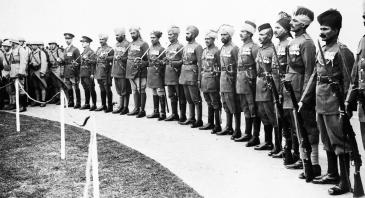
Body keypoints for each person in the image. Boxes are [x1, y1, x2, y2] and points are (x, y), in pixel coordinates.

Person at [301, 9, 354, 195]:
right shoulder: (322, 50)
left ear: (337, 30)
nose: (321, 32)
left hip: (334, 103)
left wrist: (346, 106)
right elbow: (314, 77)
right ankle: (332, 173)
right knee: (326, 140)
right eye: (320, 28)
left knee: (340, 142)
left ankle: (345, 182)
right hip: (320, 101)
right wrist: (304, 100)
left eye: (326, 29)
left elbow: (349, 81)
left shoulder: (344, 51)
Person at [284, 7, 321, 176]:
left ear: (304, 25)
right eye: (292, 20)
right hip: (291, 87)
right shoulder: (293, 41)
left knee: (308, 126)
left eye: (295, 21)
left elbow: (309, 71)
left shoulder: (307, 42)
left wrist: (305, 95)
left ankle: (313, 164)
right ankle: (302, 158)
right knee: (296, 126)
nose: (291, 23)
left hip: (301, 89)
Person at [234, 21, 261, 146]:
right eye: (241, 31)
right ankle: (247, 133)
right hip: (241, 80)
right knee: (245, 107)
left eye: (244, 32)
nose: (241, 34)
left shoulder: (254, 47)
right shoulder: (242, 47)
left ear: (250, 34)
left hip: (250, 80)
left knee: (252, 107)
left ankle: (255, 136)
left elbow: (257, 66)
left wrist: (254, 80)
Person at [270, 12, 293, 158]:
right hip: (276, 84)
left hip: (286, 86)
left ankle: (290, 150)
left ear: (285, 29)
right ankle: (284, 148)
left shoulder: (289, 43)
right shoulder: (278, 44)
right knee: (281, 119)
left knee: (288, 120)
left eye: (278, 28)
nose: (275, 31)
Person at [253, 23, 277, 151]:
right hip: (259, 83)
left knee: (271, 114)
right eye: (260, 34)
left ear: (270, 36)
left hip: (268, 85)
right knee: (262, 113)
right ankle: (267, 142)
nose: (260, 36)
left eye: (263, 34)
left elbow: (274, 70)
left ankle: (276, 144)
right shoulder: (260, 50)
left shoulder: (273, 50)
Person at [216, 24, 240, 139]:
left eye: (225, 34)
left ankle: (237, 129)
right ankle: (228, 126)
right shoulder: (222, 48)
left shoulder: (234, 48)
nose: (222, 37)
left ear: (230, 35)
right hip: (223, 78)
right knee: (225, 103)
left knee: (233, 105)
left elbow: (238, 65)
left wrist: (235, 81)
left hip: (231, 79)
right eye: (221, 35)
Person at [179, 25, 204, 128]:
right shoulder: (185, 46)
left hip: (192, 74)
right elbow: (182, 60)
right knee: (188, 98)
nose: (186, 35)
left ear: (193, 35)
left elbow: (200, 63)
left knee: (195, 98)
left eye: (188, 33)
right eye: (186, 33)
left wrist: (199, 79)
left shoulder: (198, 47)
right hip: (184, 73)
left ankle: (199, 120)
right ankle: (191, 117)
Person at [199, 29, 222, 133]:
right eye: (205, 39)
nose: (206, 40)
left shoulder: (217, 51)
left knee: (215, 102)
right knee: (208, 101)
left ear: (213, 39)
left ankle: (217, 125)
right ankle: (210, 123)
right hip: (204, 78)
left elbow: (220, 67)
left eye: (208, 39)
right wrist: (199, 79)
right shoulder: (204, 50)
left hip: (213, 79)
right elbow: (201, 66)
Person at [164, 26, 187, 122]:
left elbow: (183, 61)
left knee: (180, 95)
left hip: (177, 74)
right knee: (171, 95)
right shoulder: (168, 46)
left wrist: (173, 62)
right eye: (168, 34)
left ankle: (182, 115)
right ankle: (174, 114)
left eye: (171, 34)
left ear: (176, 35)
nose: (169, 36)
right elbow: (167, 59)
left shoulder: (180, 46)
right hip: (169, 75)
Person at [126, 27, 149, 118]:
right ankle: (136, 108)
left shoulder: (144, 44)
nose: (132, 35)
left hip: (139, 70)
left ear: (138, 33)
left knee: (141, 89)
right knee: (134, 89)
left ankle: (142, 110)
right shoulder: (130, 44)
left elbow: (147, 60)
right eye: (131, 33)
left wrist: (142, 63)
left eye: (134, 33)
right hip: (130, 70)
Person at [146, 30, 167, 120]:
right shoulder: (150, 48)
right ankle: (156, 111)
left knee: (160, 91)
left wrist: (159, 62)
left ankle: (163, 113)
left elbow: (164, 62)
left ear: (158, 38)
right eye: (151, 37)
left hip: (158, 72)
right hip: (151, 71)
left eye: (154, 37)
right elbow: (148, 60)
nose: (152, 39)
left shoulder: (161, 49)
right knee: (153, 91)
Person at [111, 28, 131, 115]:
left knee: (125, 90)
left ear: (123, 35)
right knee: (119, 91)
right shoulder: (116, 44)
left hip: (123, 70)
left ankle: (125, 107)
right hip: (116, 70)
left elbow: (130, 57)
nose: (116, 37)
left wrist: (122, 58)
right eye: (116, 35)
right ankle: (120, 106)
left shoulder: (128, 44)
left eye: (118, 35)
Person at [95, 34, 114, 113]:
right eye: (100, 39)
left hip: (106, 72)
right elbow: (96, 59)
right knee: (101, 88)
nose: (100, 41)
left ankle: (110, 106)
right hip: (99, 71)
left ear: (106, 40)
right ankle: (103, 105)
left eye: (102, 39)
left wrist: (107, 57)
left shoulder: (110, 49)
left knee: (107, 89)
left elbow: (113, 58)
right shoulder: (98, 49)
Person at [62, 33, 81, 108]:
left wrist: (77, 72)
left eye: (69, 39)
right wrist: (61, 60)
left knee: (75, 87)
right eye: (66, 39)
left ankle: (78, 103)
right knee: (68, 87)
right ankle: (71, 102)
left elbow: (79, 62)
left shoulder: (75, 49)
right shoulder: (65, 50)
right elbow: (65, 61)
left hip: (73, 71)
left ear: (72, 39)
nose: (67, 40)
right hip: (66, 71)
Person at [9, 39, 28, 112]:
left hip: (19, 73)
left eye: (12, 43)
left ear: (15, 43)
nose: (11, 44)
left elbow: (23, 62)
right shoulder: (13, 50)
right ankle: (18, 106)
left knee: (21, 89)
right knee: (16, 90)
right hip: (13, 73)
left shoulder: (21, 50)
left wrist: (21, 72)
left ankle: (23, 106)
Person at [79, 36, 97, 111]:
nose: (82, 44)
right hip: (83, 73)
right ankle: (87, 104)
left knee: (91, 88)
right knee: (85, 88)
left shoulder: (91, 52)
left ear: (88, 43)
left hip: (88, 73)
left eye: (84, 42)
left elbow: (94, 62)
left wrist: (92, 73)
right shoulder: (83, 52)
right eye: (82, 42)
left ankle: (94, 104)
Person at [29, 41, 48, 107]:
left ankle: (43, 101)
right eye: (32, 45)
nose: (33, 46)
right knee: (35, 87)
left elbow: (44, 63)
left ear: (37, 46)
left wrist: (42, 72)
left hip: (39, 71)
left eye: (34, 45)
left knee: (42, 86)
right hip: (33, 72)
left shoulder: (41, 52)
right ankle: (37, 100)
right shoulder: (31, 53)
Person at [47, 41, 65, 105]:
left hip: (58, 68)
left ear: (55, 45)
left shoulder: (58, 50)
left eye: (52, 44)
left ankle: (62, 99)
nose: (51, 46)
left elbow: (62, 59)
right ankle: (57, 98)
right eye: (50, 44)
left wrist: (58, 58)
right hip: (52, 69)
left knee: (59, 85)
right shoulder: (49, 51)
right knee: (55, 85)